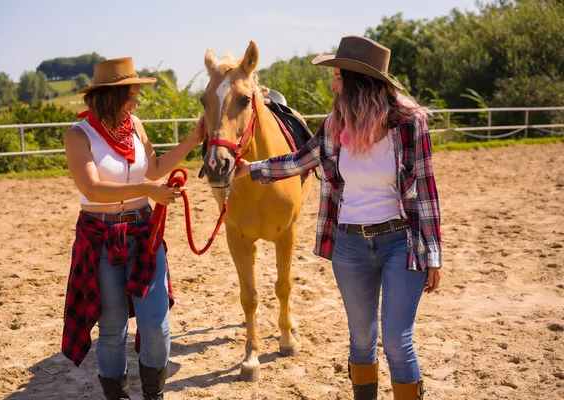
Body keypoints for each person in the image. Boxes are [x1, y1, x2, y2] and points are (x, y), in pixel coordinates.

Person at [234, 36, 442, 400]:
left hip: (401, 243)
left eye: (337, 77)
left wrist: (434, 253)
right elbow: (300, 159)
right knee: (361, 339)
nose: (332, 83)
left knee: (396, 339)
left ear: (358, 82)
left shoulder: (410, 125)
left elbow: (426, 190)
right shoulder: (335, 124)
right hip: (350, 246)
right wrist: (251, 169)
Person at [61, 57, 205, 400]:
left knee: (155, 323)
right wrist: (148, 191)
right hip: (100, 235)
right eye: (132, 95)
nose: (137, 101)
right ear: (111, 96)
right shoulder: (77, 136)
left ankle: (154, 394)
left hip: (142, 231)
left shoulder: (135, 125)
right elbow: (93, 189)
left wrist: (193, 139)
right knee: (112, 328)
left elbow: (153, 168)